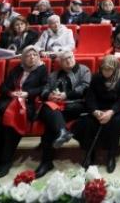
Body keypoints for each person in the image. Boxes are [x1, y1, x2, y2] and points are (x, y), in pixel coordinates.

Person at [0, 46, 48, 179]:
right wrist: (11, 93)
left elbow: (44, 88)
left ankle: (6, 161)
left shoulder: (41, 70)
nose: (32, 57)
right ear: (23, 57)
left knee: (11, 124)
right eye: (28, 55)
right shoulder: (17, 69)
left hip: (25, 105)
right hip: (6, 103)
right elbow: (2, 87)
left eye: (34, 55)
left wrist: (27, 93)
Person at [35, 50, 91, 178]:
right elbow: (44, 91)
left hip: (75, 105)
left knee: (51, 121)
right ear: (60, 62)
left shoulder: (84, 70)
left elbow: (85, 87)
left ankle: (47, 160)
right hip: (56, 106)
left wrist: (66, 95)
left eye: (70, 57)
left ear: (74, 57)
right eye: (64, 59)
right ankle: (60, 135)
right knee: (47, 110)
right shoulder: (54, 75)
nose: (68, 60)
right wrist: (50, 96)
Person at [78, 55, 120, 172]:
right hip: (99, 108)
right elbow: (90, 97)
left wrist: (111, 112)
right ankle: (90, 152)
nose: (106, 72)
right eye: (104, 69)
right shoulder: (96, 77)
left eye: (109, 69)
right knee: (88, 122)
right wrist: (95, 111)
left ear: (115, 69)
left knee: (115, 124)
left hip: (114, 109)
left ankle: (111, 155)